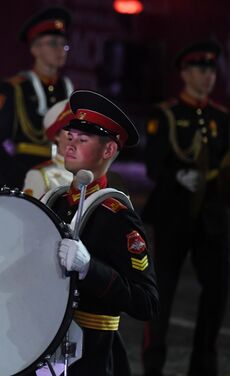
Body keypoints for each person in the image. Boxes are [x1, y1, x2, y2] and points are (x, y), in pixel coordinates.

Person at [44, 90, 158, 375]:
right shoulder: (55, 201)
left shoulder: (116, 216)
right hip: (44, 340)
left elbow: (147, 302)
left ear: (108, 151)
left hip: (91, 355)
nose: (70, 145)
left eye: (82, 140)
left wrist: (90, 269)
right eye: (70, 137)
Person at [141, 40, 229, 376]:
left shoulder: (221, 117)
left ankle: (204, 365)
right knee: (161, 291)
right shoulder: (166, 114)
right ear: (185, 72)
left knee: (217, 293)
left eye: (211, 71)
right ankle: (153, 364)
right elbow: (152, 164)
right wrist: (179, 174)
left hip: (213, 217)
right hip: (173, 214)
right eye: (200, 70)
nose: (208, 77)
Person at [0, 6, 74, 188]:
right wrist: (14, 173)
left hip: (60, 176)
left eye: (64, 44)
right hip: (24, 175)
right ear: (35, 49)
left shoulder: (67, 87)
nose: (61, 50)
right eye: (53, 43)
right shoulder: (16, 88)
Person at [23, 99, 74, 198]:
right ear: (56, 136)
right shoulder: (40, 175)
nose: (76, 135)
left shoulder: (94, 173)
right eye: (69, 129)